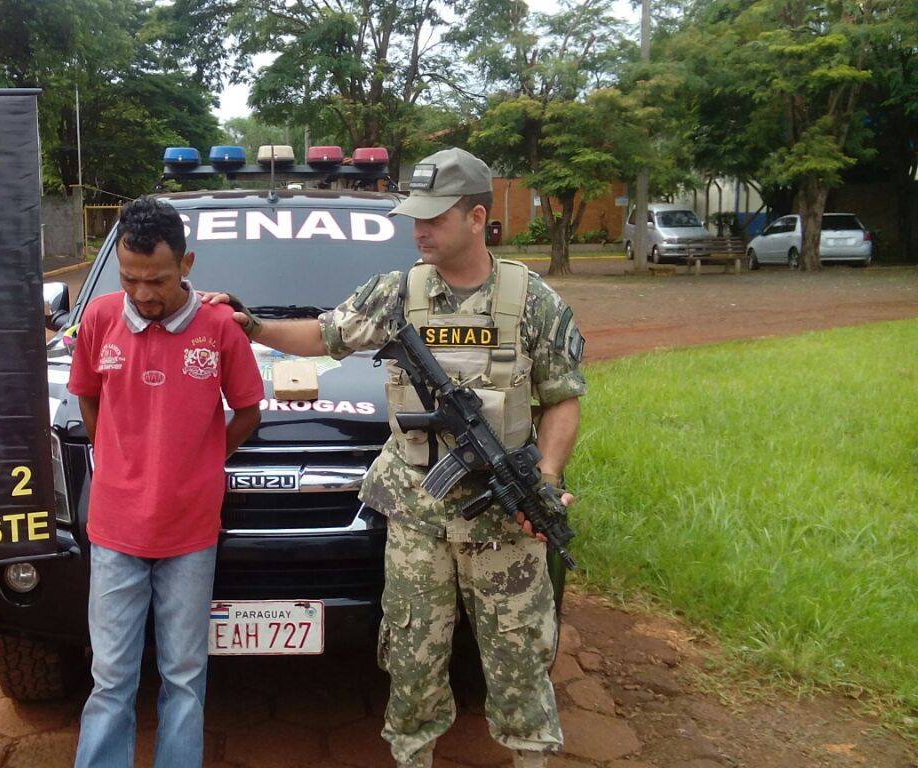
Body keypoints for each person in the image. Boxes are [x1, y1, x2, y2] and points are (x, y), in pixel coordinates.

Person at [206, 148, 585, 768]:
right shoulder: (397, 293)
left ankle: (530, 758)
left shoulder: (533, 300)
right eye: (415, 216)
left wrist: (544, 477)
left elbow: (563, 399)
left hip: (503, 524)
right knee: (412, 654)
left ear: (476, 217)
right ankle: (413, 756)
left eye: (435, 217)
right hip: (416, 516)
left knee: (519, 654)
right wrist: (249, 324)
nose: (420, 229)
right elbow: (325, 335)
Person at [67, 196, 264, 767]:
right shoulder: (102, 318)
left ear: (187, 264)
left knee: (183, 676)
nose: (143, 294)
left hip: (190, 532)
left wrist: (200, 462)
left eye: (157, 279)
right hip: (114, 529)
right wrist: (118, 455)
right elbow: (87, 396)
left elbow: (248, 412)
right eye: (130, 279)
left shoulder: (221, 326)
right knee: (110, 677)